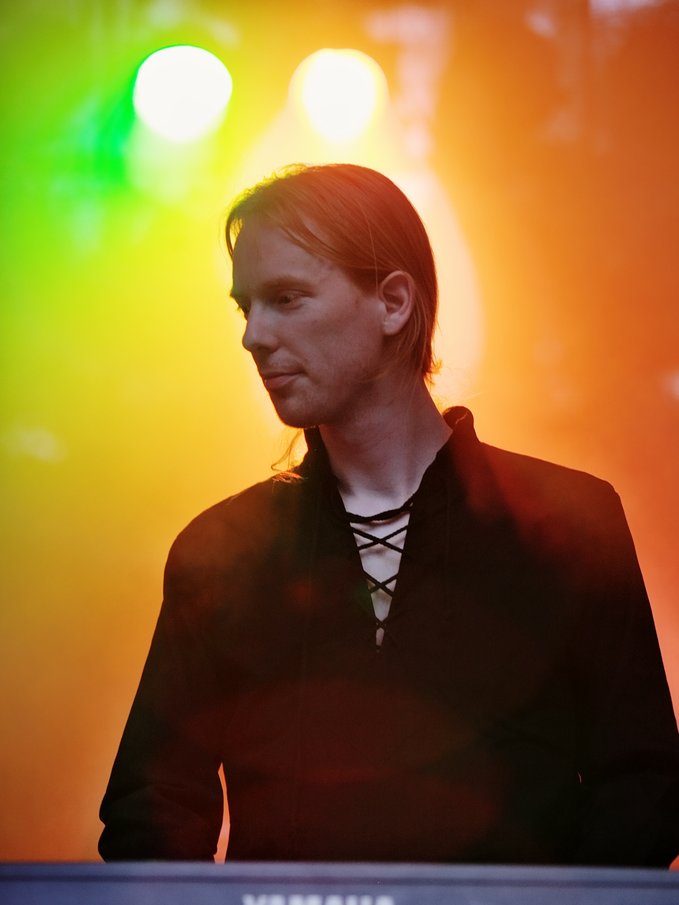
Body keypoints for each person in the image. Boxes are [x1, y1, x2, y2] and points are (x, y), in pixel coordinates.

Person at [99, 163, 679, 866]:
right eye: (246, 307)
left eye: (286, 298)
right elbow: (152, 804)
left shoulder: (571, 521)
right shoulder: (219, 548)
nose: (253, 336)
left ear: (394, 302)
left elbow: (642, 782)